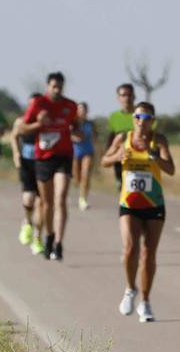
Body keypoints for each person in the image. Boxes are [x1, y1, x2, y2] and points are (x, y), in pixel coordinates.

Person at [102, 101, 174, 322]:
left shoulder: (158, 140)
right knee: (130, 248)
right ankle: (129, 289)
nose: (142, 122)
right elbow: (104, 160)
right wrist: (116, 157)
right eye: (138, 117)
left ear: (153, 121)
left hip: (153, 205)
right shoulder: (123, 138)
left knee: (148, 253)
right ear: (133, 119)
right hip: (129, 204)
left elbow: (170, 169)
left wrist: (155, 157)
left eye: (147, 118)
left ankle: (145, 301)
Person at [15, 71, 80, 261]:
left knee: (61, 198)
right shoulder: (39, 104)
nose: (57, 89)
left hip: (64, 156)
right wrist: (38, 124)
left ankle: (59, 242)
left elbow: (75, 125)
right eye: (54, 86)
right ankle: (49, 235)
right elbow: (22, 129)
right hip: (43, 157)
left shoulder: (70, 105)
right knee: (46, 202)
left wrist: (76, 130)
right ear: (47, 86)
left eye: (60, 86)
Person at [11, 93, 45, 255]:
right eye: (32, 105)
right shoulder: (21, 121)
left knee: (42, 203)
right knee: (29, 198)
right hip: (27, 162)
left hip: (44, 163)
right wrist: (16, 154)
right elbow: (13, 136)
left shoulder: (46, 121)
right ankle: (27, 222)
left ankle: (38, 238)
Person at [104, 83, 137, 184]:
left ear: (134, 97)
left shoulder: (140, 115)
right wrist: (111, 155)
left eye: (129, 95)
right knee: (123, 191)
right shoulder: (113, 117)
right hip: (121, 161)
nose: (126, 98)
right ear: (118, 98)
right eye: (123, 95)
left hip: (138, 160)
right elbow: (110, 140)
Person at [73, 101, 96, 210]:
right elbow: (66, 135)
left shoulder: (90, 123)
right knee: (77, 178)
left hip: (88, 151)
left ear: (87, 111)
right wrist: (74, 138)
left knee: (85, 175)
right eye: (80, 109)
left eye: (84, 109)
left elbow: (95, 136)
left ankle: (83, 199)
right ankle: (79, 189)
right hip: (75, 151)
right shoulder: (73, 123)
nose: (82, 111)